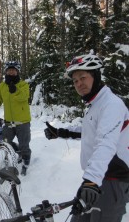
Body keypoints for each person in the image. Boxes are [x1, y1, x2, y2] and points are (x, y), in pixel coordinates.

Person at [44, 54, 129, 222]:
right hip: (96, 179)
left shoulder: (111, 105)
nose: (79, 84)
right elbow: (89, 131)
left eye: (83, 77)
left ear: (95, 76)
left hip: (112, 181)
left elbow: (105, 143)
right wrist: (61, 132)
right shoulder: (96, 104)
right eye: (75, 81)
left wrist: (91, 181)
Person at [0, 61, 32, 176]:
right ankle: (15, 153)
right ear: (6, 71)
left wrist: (15, 90)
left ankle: (25, 163)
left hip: (23, 122)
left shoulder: (23, 85)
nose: (11, 72)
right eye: (9, 70)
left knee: (24, 146)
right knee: (5, 143)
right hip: (8, 122)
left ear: (17, 72)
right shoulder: (2, 86)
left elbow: (24, 97)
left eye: (13, 70)